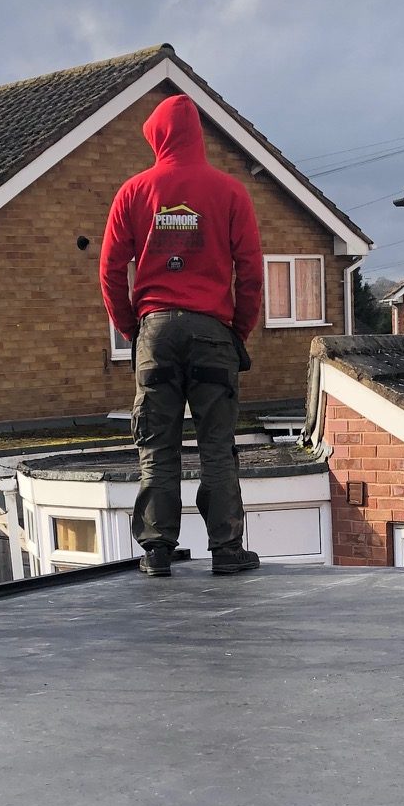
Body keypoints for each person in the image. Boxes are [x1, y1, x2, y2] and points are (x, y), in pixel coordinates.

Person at [100, 94, 263, 577]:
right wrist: (238, 329)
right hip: (213, 331)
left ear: (155, 136)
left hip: (155, 332)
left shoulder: (134, 191)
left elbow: (110, 269)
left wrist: (133, 328)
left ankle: (157, 550)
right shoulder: (231, 192)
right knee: (217, 445)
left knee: (157, 445)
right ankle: (227, 550)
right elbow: (250, 271)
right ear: (199, 136)